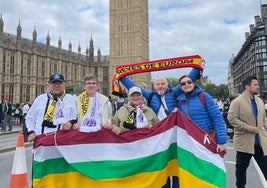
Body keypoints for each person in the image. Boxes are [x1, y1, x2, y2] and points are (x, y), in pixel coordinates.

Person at [120, 68, 201, 188]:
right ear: (154, 86)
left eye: (163, 84)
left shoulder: (174, 92)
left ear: (167, 85)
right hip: (160, 135)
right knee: (163, 163)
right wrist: (121, 76)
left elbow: (188, 80)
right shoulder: (150, 95)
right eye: (158, 84)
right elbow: (133, 87)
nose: (160, 86)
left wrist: (197, 67)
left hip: (175, 134)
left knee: (176, 163)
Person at [227, 75, 267, 188]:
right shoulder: (237, 102)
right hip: (244, 143)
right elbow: (231, 118)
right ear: (247, 87)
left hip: (260, 143)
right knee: (241, 170)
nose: (258, 87)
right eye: (256, 85)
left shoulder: (259, 101)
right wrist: (248, 127)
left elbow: (263, 119)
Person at [177, 75, 227, 153]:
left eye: (189, 82)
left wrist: (222, 141)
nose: (186, 84)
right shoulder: (180, 101)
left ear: (193, 84)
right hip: (192, 140)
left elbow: (217, 117)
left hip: (207, 138)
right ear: (181, 87)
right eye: (183, 83)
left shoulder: (204, 96)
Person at [26, 73, 78, 142]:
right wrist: (31, 132)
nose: (56, 86)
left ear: (64, 85)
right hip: (41, 142)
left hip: (62, 142)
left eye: (59, 83)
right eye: (54, 83)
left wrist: (70, 123)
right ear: (49, 85)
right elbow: (30, 118)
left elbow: (75, 117)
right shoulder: (40, 99)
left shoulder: (70, 99)